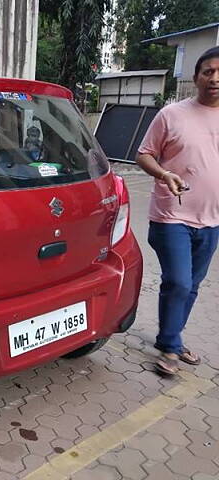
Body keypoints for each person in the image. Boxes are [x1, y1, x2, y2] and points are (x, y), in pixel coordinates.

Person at [136, 46, 219, 375]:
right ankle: (171, 346)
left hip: (213, 219)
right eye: (208, 71)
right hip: (173, 215)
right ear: (196, 76)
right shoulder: (171, 115)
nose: (214, 78)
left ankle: (170, 337)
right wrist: (162, 173)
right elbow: (144, 154)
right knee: (180, 281)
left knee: (193, 284)